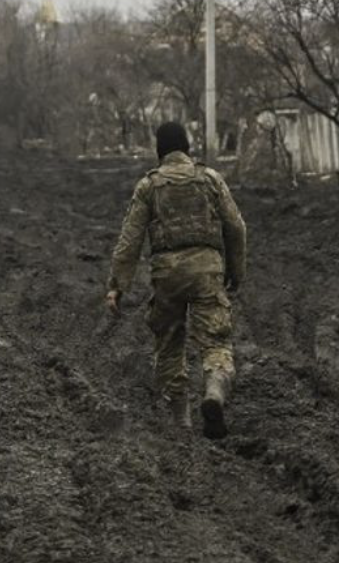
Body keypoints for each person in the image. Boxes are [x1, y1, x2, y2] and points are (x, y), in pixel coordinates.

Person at [105, 122, 247, 439]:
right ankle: (213, 393)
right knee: (216, 342)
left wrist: (117, 285)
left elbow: (130, 241)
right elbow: (236, 227)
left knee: (169, 344)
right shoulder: (210, 179)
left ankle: (181, 423)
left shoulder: (148, 186)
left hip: (166, 273)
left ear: (160, 150)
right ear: (187, 147)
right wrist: (236, 272)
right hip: (207, 270)